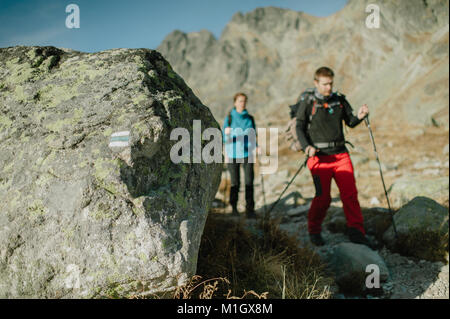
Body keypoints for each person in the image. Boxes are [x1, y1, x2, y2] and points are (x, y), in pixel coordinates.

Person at [295, 66, 373, 248]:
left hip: (341, 155)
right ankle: (314, 230)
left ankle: (356, 232)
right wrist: (307, 148)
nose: (328, 88)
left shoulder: (339, 100)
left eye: (330, 84)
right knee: (323, 198)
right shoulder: (308, 102)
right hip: (318, 158)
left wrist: (360, 116)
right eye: (324, 84)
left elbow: (351, 122)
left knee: (350, 194)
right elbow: (299, 126)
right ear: (316, 83)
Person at [223, 92, 258, 218]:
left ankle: (250, 210)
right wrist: (228, 134)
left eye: (244, 101)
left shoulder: (250, 118)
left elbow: (253, 136)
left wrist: (256, 147)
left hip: (247, 153)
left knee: (249, 182)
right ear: (235, 102)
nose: (242, 103)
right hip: (233, 153)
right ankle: (234, 208)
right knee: (235, 182)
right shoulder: (229, 118)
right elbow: (224, 137)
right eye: (240, 101)